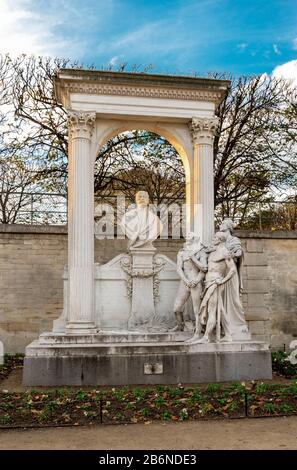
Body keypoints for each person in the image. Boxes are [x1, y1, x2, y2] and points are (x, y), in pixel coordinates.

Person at [188, 231, 235, 343]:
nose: (212, 239)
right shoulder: (213, 251)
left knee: (211, 310)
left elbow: (232, 269)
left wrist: (223, 280)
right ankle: (228, 335)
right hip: (208, 282)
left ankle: (206, 337)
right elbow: (205, 266)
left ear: (220, 240)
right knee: (221, 310)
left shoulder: (224, 252)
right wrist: (194, 256)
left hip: (215, 282)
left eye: (214, 238)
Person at [219, 218, 250, 340]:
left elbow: (238, 252)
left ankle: (239, 325)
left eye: (222, 223)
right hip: (221, 273)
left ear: (227, 226)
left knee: (234, 300)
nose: (220, 225)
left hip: (231, 274)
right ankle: (225, 327)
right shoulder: (220, 240)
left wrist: (231, 254)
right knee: (222, 300)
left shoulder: (234, 240)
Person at [173, 232, 207, 332]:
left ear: (194, 239)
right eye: (186, 237)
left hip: (196, 283)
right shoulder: (182, 252)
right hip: (185, 282)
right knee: (177, 308)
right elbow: (179, 269)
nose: (187, 239)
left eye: (189, 237)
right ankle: (181, 326)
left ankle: (198, 330)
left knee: (197, 309)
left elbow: (204, 269)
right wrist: (186, 281)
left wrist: (196, 281)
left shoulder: (201, 252)